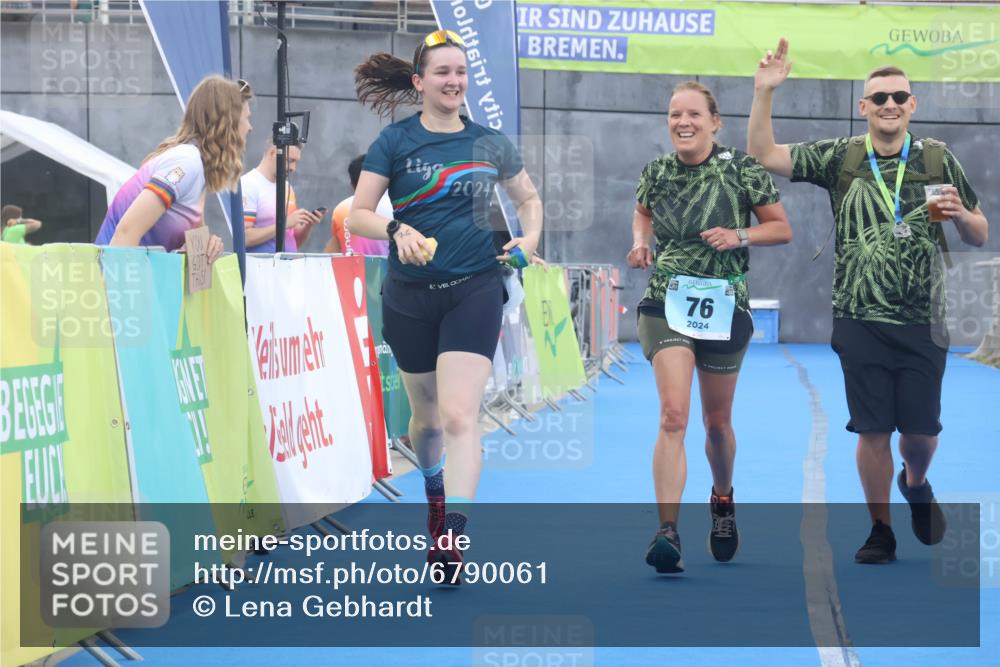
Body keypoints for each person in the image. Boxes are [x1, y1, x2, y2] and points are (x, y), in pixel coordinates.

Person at [748, 40, 989, 564]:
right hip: (859, 317)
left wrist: (963, 216)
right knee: (873, 428)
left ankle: (916, 482)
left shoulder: (936, 158)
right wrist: (764, 93)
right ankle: (880, 529)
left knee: (921, 433)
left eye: (899, 96)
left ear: (912, 105)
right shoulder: (842, 157)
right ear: (864, 107)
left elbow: (979, 231)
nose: (889, 104)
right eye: (879, 97)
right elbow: (765, 155)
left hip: (925, 319)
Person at [349, 29, 543, 579]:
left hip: (475, 287)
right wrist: (394, 227)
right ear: (419, 81)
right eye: (442, 72)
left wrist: (528, 240)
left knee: (460, 415)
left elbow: (529, 200)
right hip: (409, 297)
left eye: (460, 72)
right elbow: (358, 212)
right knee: (425, 423)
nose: (453, 80)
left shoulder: (490, 142)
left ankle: (452, 534)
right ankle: (435, 496)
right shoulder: (395, 141)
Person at [631, 81, 792, 574]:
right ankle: (667, 531)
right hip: (665, 302)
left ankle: (722, 500)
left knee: (716, 423)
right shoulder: (657, 171)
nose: (683, 122)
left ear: (714, 121)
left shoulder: (742, 169)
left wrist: (739, 234)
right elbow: (642, 210)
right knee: (673, 416)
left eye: (694, 115)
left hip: (724, 304)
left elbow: (780, 227)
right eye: (675, 114)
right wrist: (640, 242)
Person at [95, 76, 254, 263]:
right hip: (117, 282)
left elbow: (196, 247)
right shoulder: (186, 164)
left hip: (136, 280)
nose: (250, 128)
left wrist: (210, 244)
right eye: (247, 119)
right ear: (228, 124)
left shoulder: (195, 167)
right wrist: (123, 291)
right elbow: (125, 234)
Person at [242, 138, 322, 253]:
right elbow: (245, 238)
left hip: (288, 267)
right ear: (273, 153)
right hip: (261, 267)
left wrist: (308, 225)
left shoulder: (286, 187)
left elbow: (293, 241)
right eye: (290, 160)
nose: (293, 168)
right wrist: (284, 224)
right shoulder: (248, 184)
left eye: (296, 162)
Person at [322, 154, 391, 256]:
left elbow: (333, 250)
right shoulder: (394, 206)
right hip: (388, 270)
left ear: (352, 184)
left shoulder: (341, 208)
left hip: (349, 270)